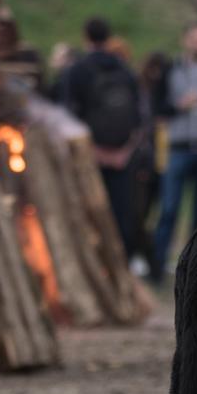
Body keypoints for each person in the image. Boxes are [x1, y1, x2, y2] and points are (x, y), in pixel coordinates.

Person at [59, 18, 146, 262]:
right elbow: (139, 118)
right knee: (121, 212)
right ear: (109, 38)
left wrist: (92, 152)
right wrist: (124, 153)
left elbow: (68, 119)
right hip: (122, 157)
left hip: (89, 156)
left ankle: (90, 260)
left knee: (87, 210)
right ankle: (120, 262)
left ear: (85, 37)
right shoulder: (125, 70)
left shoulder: (76, 71)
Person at [149, 24, 197, 286]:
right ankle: (157, 270)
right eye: (195, 40)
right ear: (185, 41)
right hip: (178, 149)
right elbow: (156, 107)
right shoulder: (170, 70)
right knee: (169, 209)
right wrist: (179, 106)